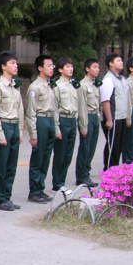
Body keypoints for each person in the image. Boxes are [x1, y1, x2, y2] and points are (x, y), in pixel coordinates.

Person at [0, 52, 24, 211]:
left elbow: (20, 109)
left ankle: (7, 197)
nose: (16, 66)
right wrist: (0, 133)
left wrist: (20, 131)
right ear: (3, 66)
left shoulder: (15, 86)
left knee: (11, 165)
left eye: (16, 63)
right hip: (3, 126)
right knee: (1, 165)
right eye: (12, 63)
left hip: (14, 126)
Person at [26, 55, 60, 203]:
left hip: (50, 119)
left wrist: (56, 128)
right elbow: (31, 112)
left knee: (46, 157)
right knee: (38, 157)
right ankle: (34, 191)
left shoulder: (50, 85)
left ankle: (40, 188)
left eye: (53, 66)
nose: (51, 68)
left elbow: (55, 108)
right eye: (48, 66)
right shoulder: (35, 87)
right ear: (40, 68)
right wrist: (33, 134)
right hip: (40, 120)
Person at [51, 57, 79, 191]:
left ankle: (62, 180)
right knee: (60, 153)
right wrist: (57, 128)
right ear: (61, 70)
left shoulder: (73, 85)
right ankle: (57, 182)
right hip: (62, 120)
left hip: (72, 119)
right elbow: (54, 108)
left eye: (71, 66)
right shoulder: (57, 86)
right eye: (67, 67)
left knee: (68, 153)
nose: (71, 69)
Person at [75, 58, 102, 186]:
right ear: (87, 69)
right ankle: (81, 176)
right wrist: (83, 125)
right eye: (94, 67)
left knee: (91, 148)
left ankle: (86, 173)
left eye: (98, 67)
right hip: (87, 117)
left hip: (95, 116)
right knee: (85, 148)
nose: (97, 69)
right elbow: (81, 107)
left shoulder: (95, 84)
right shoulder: (83, 85)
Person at [100, 53, 128, 169]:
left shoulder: (122, 79)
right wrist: (109, 119)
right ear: (111, 64)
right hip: (113, 118)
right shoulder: (108, 79)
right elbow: (105, 100)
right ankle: (108, 170)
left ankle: (115, 170)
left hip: (122, 117)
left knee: (119, 146)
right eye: (118, 60)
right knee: (112, 146)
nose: (121, 62)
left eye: (121, 60)